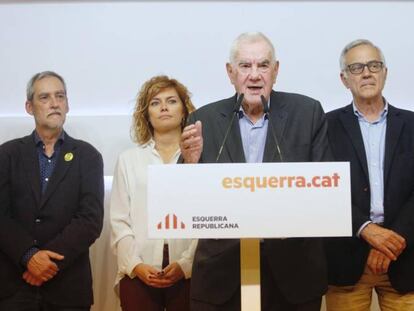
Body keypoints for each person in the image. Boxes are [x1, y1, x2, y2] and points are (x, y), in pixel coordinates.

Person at [180, 32, 330, 311]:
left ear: (276, 70)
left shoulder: (307, 113)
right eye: (245, 66)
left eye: (263, 65)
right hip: (221, 271)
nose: (254, 75)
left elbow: (325, 193)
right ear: (230, 72)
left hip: (293, 271)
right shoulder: (204, 120)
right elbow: (183, 202)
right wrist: (190, 163)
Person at [0, 71, 104, 311]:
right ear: (29, 107)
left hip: (68, 288)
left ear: (67, 104)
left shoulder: (88, 156)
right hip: (15, 286)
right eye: (45, 97)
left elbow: (90, 220)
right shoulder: (7, 155)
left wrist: (46, 263)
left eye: (60, 96)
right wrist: (28, 256)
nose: (54, 103)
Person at [325, 39, 414, 310]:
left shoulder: (412, 125)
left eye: (374, 65)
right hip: (348, 261)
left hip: (405, 258)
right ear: (344, 79)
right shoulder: (325, 127)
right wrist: (368, 230)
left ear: (385, 72)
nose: (366, 73)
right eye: (356, 67)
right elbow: (324, 191)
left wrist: (391, 241)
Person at [110, 75, 198, 311]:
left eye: (171, 101)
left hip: (191, 272)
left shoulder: (201, 158)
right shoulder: (128, 160)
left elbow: (209, 218)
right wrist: (136, 265)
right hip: (138, 271)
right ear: (146, 113)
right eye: (155, 103)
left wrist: (186, 264)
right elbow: (119, 221)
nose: (164, 108)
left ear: (184, 110)